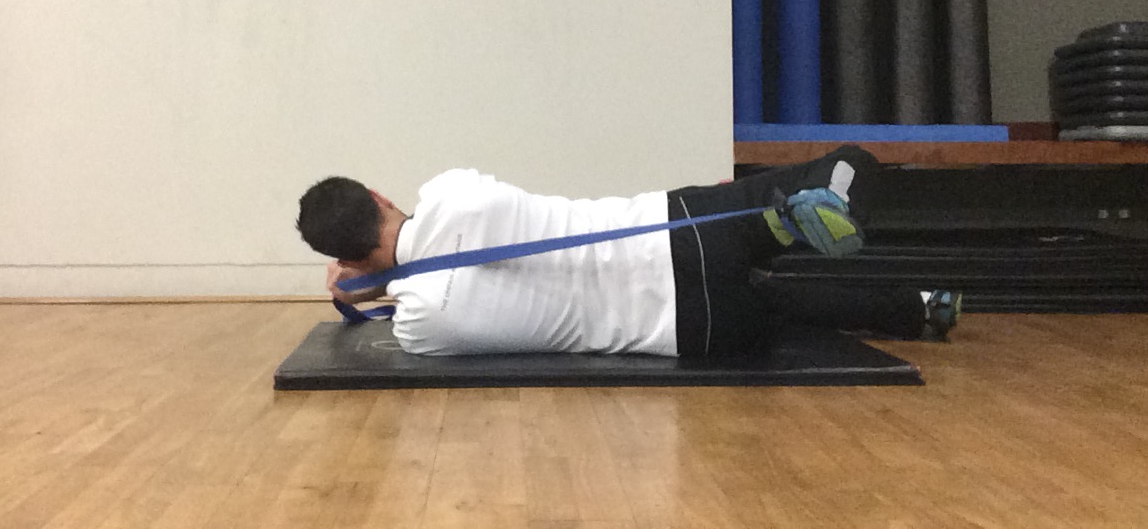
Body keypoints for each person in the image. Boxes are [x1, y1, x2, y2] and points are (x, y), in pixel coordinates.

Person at [296, 146, 958, 358]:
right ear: (379, 196)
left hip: (691, 328)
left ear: (349, 262)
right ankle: (825, 204)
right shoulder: (451, 190)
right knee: (851, 158)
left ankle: (920, 309)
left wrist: (371, 286)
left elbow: (418, 290)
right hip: (682, 231)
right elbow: (448, 235)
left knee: (779, 307)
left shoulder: (419, 326)